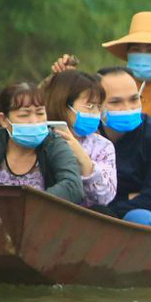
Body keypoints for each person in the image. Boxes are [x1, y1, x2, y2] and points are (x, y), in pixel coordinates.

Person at [52, 11, 151, 160]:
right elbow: (79, 103)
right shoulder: (116, 80)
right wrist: (64, 79)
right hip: (112, 163)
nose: (143, 55)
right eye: (136, 49)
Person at [0, 82, 84, 201]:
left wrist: (27, 203)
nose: (34, 121)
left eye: (40, 113)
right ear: (4, 120)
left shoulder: (55, 145)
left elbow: (72, 186)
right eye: (24, 115)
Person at [97, 65, 151, 227]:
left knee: (139, 217)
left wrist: (105, 209)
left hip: (150, 220)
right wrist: (128, 198)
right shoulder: (87, 136)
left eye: (134, 99)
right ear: (96, 105)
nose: (128, 108)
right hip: (92, 220)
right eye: (116, 102)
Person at [43, 68, 118, 210]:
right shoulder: (38, 138)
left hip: (83, 220)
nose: (95, 113)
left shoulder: (102, 146)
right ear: (64, 105)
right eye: (89, 106)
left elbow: (104, 197)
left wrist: (83, 159)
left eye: (98, 107)